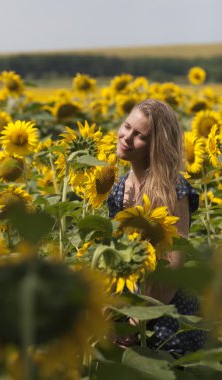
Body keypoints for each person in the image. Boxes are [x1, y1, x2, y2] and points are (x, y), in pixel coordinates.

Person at [107, 99, 206, 356]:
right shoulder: (119, 188)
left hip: (165, 314)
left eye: (139, 135)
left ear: (155, 147)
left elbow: (174, 262)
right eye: (127, 126)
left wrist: (138, 320)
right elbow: (115, 253)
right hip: (126, 305)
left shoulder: (172, 188)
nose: (126, 137)